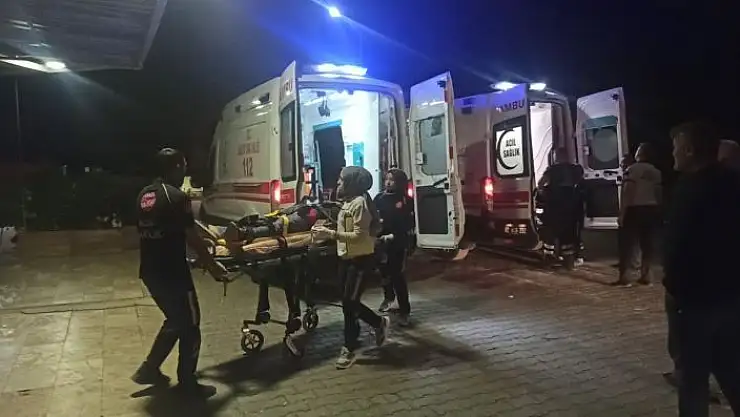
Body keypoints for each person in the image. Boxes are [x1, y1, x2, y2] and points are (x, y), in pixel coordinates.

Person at [131, 148, 227, 398]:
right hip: (173, 274)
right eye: (183, 165)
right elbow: (191, 236)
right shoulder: (176, 196)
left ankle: (148, 370)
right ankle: (187, 382)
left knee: (175, 320)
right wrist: (213, 266)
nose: (185, 170)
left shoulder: (145, 195)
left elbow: (180, 223)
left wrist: (210, 234)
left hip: (150, 271)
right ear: (174, 167)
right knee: (191, 325)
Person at [663, 121, 740, 417]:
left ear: (689, 150)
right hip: (730, 297)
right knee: (730, 368)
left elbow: (678, 246)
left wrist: (674, 289)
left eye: (676, 148)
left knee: (693, 378)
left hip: (695, 301)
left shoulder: (690, 188)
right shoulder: (732, 183)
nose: (672, 153)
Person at [311, 166, 390, 369]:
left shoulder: (360, 204)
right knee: (348, 304)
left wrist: (330, 235)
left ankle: (350, 347)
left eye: (341, 180)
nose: (338, 183)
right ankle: (375, 325)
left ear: (352, 183)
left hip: (361, 260)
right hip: (345, 259)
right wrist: (326, 230)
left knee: (350, 303)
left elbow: (358, 236)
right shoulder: (348, 202)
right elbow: (346, 228)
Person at [614, 143, 662, 287]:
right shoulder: (655, 172)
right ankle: (647, 276)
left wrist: (622, 212)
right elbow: (658, 192)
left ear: (640, 154)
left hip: (635, 209)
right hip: (651, 209)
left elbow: (629, 190)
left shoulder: (632, 169)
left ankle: (626, 277)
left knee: (629, 244)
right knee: (648, 244)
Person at [374, 168, 414, 326]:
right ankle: (388, 298)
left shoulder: (405, 200)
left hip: (397, 243)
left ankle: (405, 311)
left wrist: (395, 235)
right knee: (384, 274)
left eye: (392, 180)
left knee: (398, 276)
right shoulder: (379, 198)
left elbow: (408, 223)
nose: (388, 182)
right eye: (387, 179)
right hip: (381, 243)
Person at [537, 148, 585, 269]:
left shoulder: (552, 170)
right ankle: (568, 262)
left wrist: (543, 194)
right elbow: (580, 183)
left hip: (554, 207)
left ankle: (549, 260)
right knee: (568, 235)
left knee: (550, 234)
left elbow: (541, 183)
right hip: (569, 208)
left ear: (556, 156)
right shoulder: (575, 169)